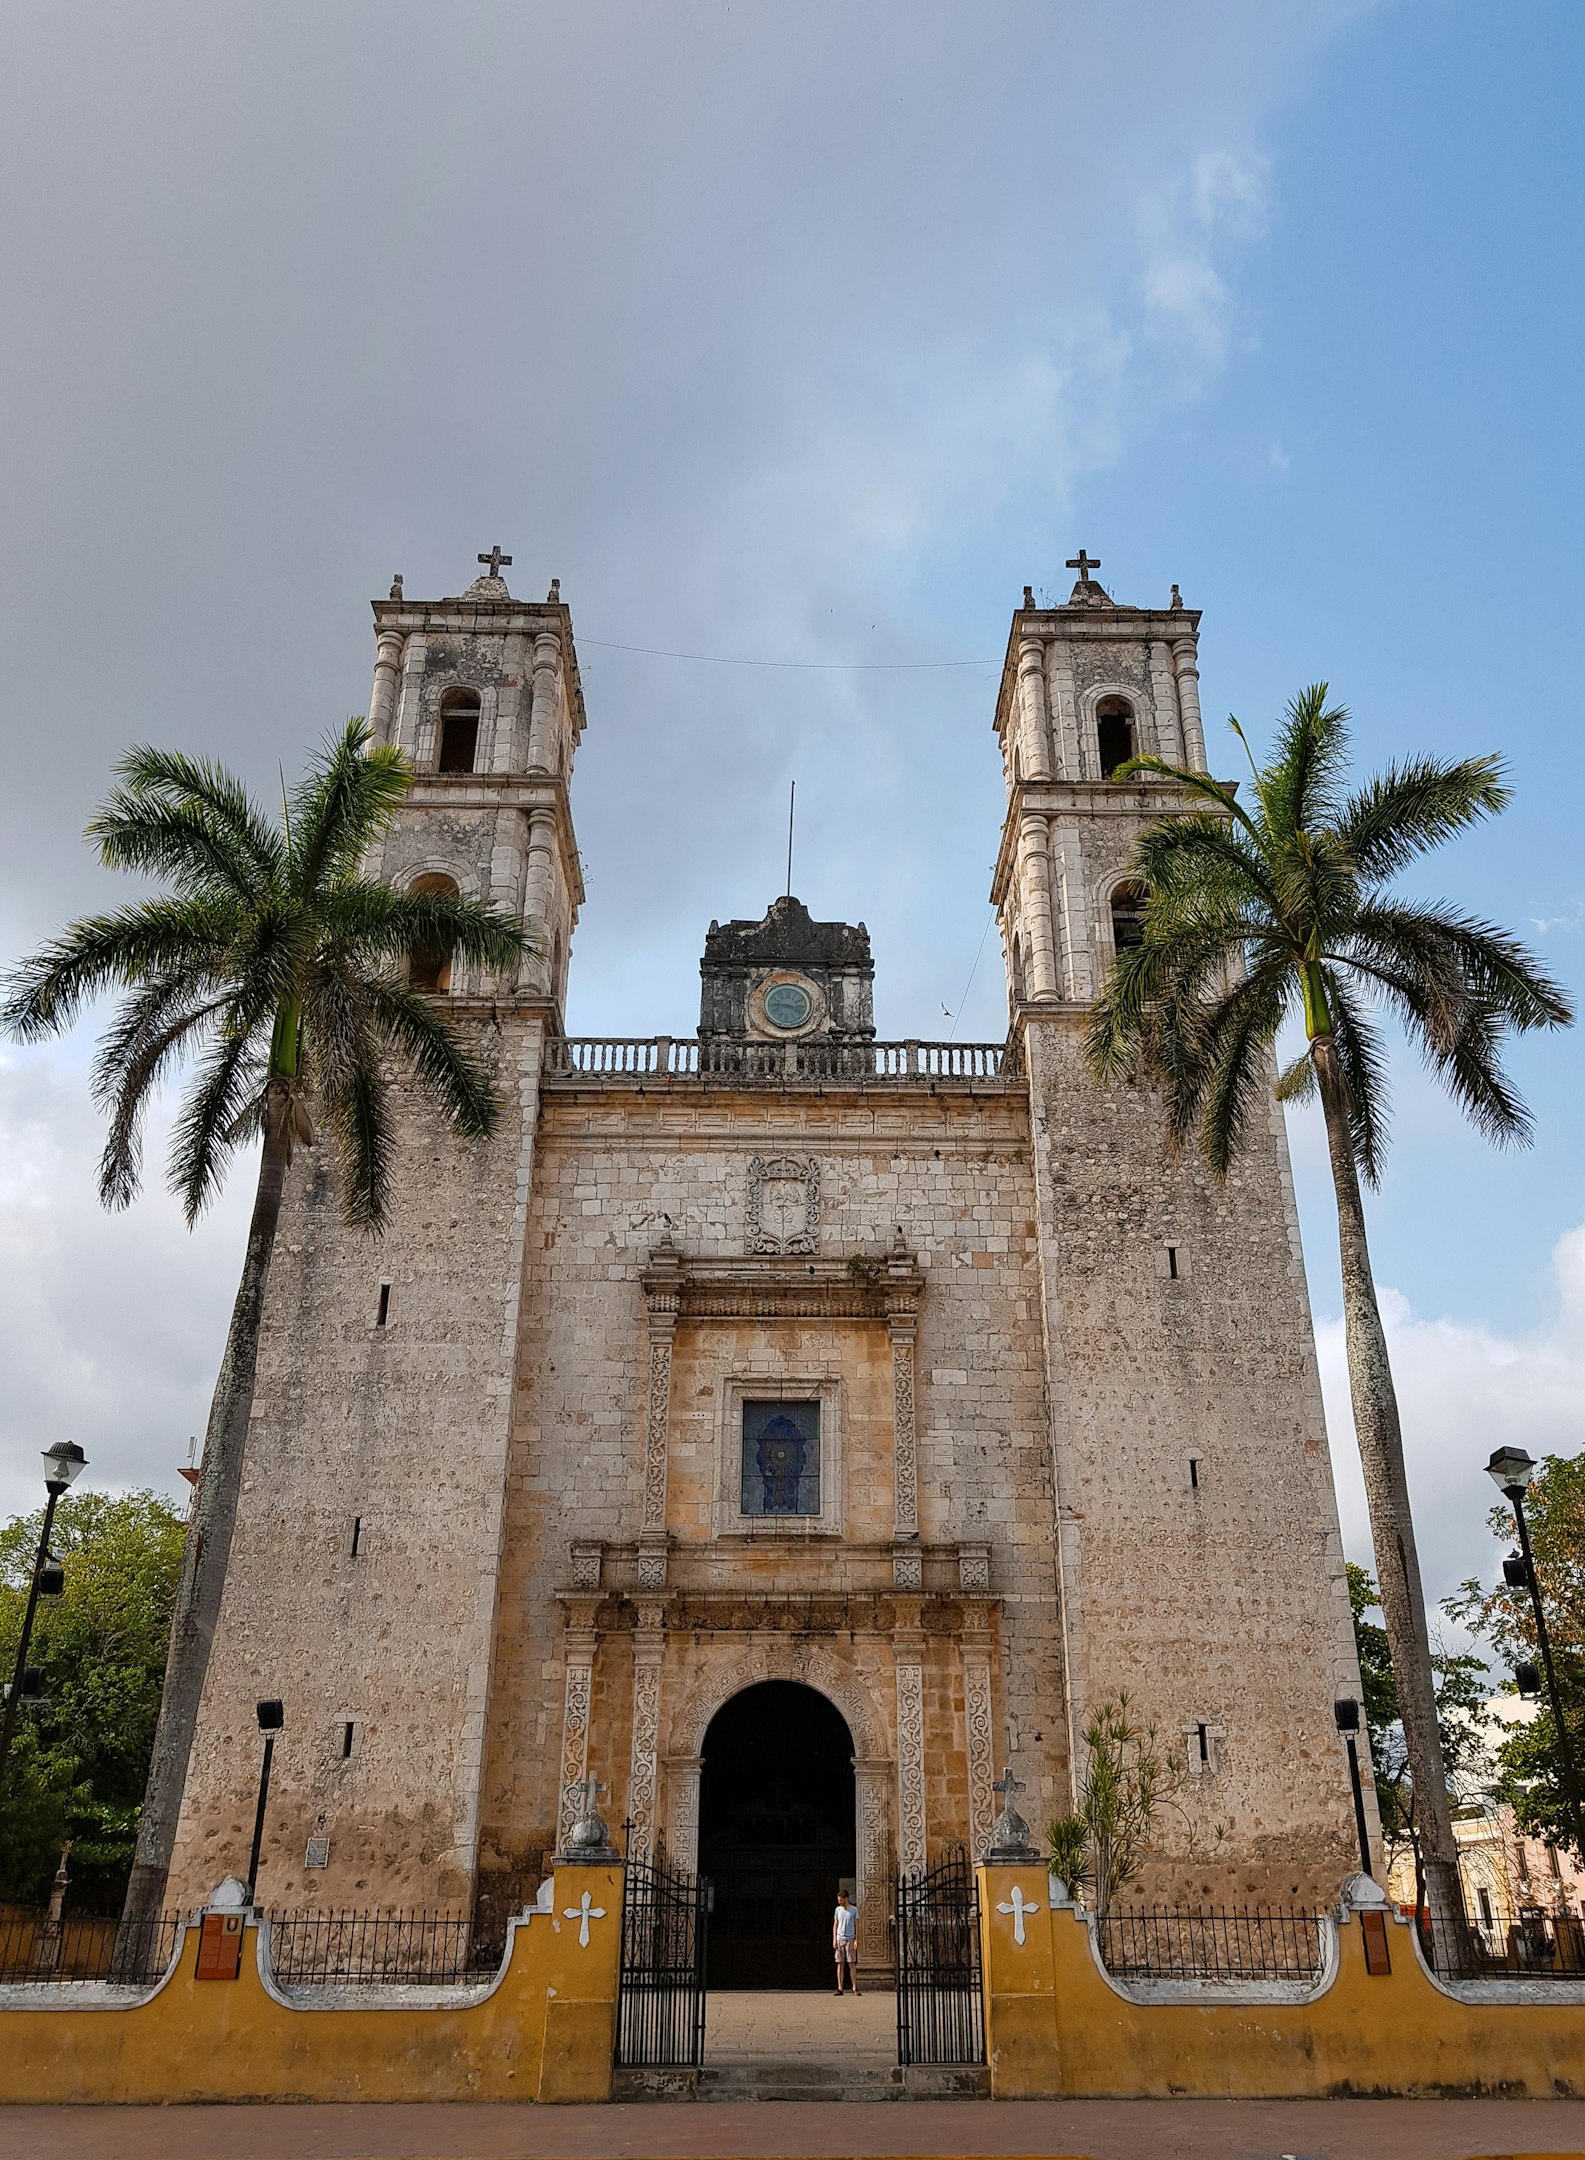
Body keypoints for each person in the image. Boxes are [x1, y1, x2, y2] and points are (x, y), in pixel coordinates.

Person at [832, 1889, 859, 1995]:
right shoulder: (838, 1910)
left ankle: (854, 1988)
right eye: (839, 1900)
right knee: (840, 1963)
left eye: (841, 1900)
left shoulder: (854, 1910)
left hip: (850, 1939)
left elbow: (857, 1925)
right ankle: (840, 1988)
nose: (840, 1902)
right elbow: (835, 1924)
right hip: (840, 1939)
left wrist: (857, 1939)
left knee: (852, 1963)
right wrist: (834, 1939)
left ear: (846, 1899)